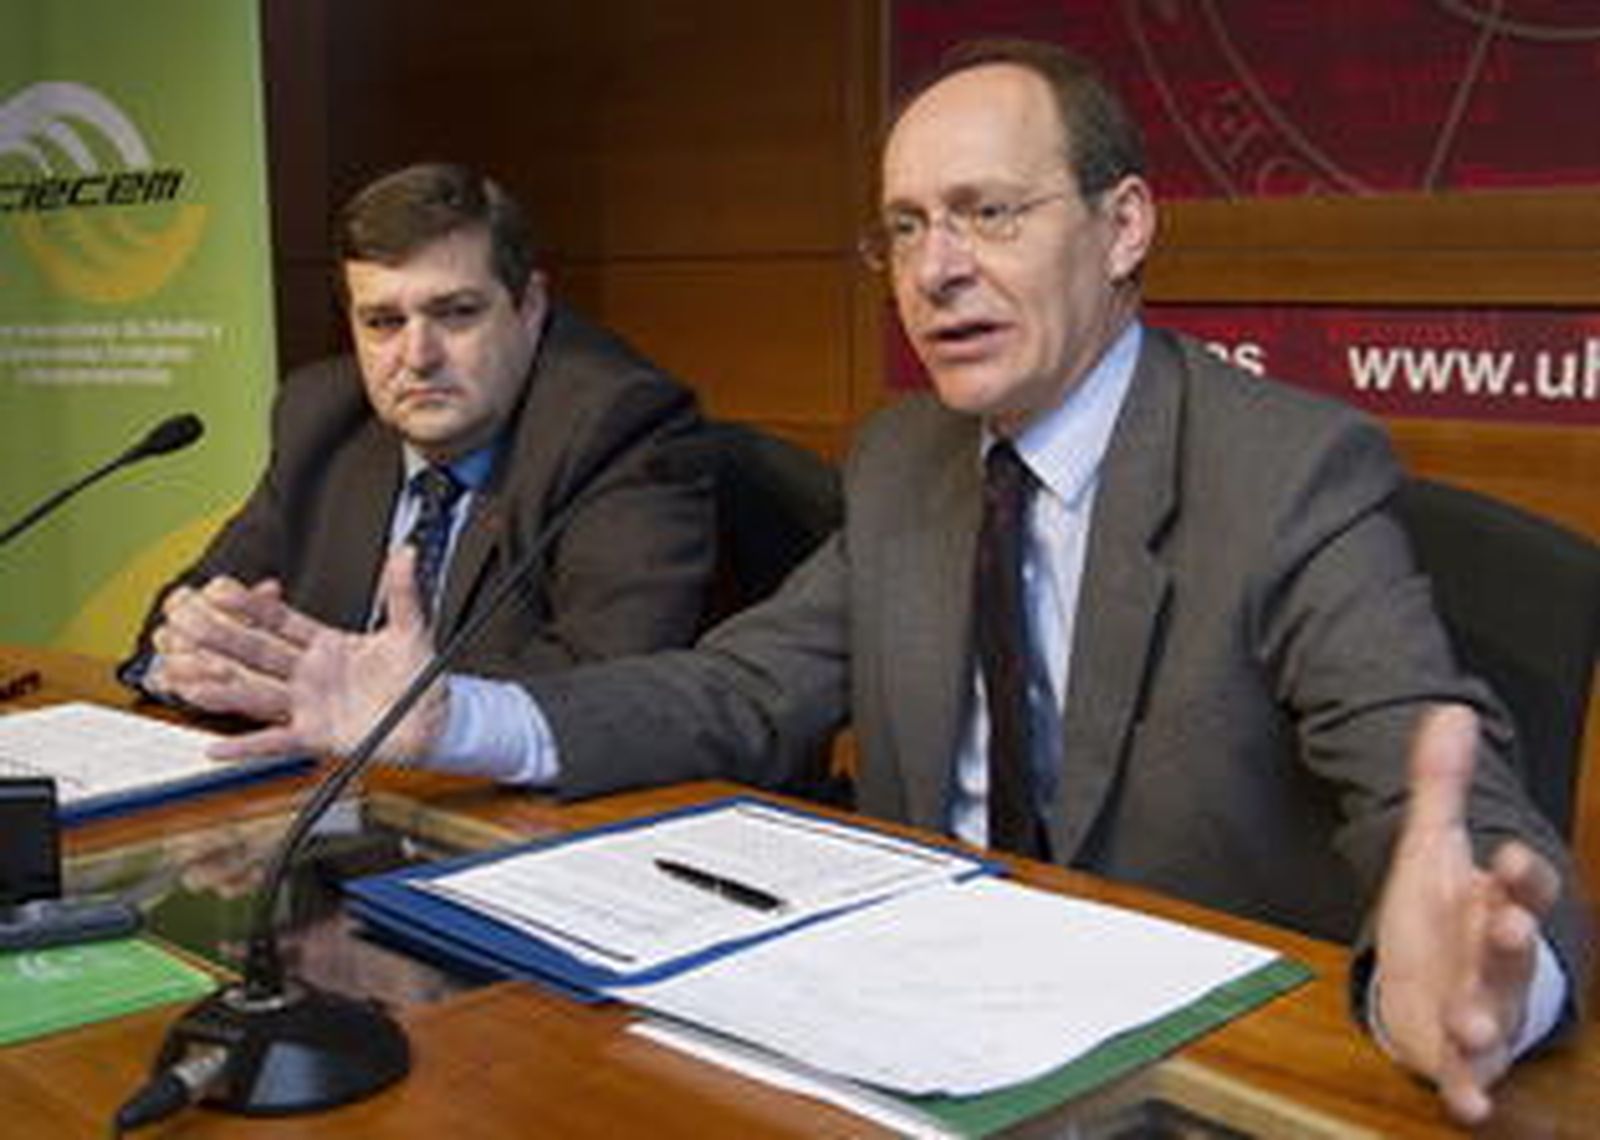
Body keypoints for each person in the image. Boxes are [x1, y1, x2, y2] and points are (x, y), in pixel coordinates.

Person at [215, 44, 1587, 1122]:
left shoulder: (1286, 472)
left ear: (1123, 227)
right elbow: (744, 689)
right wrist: (449, 718)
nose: (936, 270)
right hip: (906, 1041)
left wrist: (1481, 975)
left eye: (989, 214)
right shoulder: (907, 458)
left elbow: (1436, 793)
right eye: (905, 227)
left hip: (1193, 1081)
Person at [120, 163, 716, 763]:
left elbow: (609, 683)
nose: (417, 357)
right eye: (383, 322)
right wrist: (185, 658)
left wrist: (357, 702)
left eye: (456, 313)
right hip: (334, 799)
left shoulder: (618, 426)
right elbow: (194, 606)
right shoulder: (322, 416)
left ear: (529, 306)